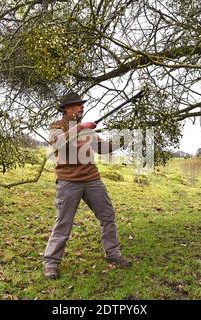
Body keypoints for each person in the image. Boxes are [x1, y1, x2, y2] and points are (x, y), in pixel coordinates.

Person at [43, 92, 131, 279]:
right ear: (67, 109)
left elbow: (103, 148)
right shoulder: (57, 126)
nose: (81, 107)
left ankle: (113, 254)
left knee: (108, 216)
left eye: (82, 105)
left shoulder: (87, 130)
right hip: (68, 182)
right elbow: (58, 142)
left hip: (92, 180)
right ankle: (51, 263)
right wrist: (80, 127)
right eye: (77, 105)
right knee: (64, 223)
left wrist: (123, 139)